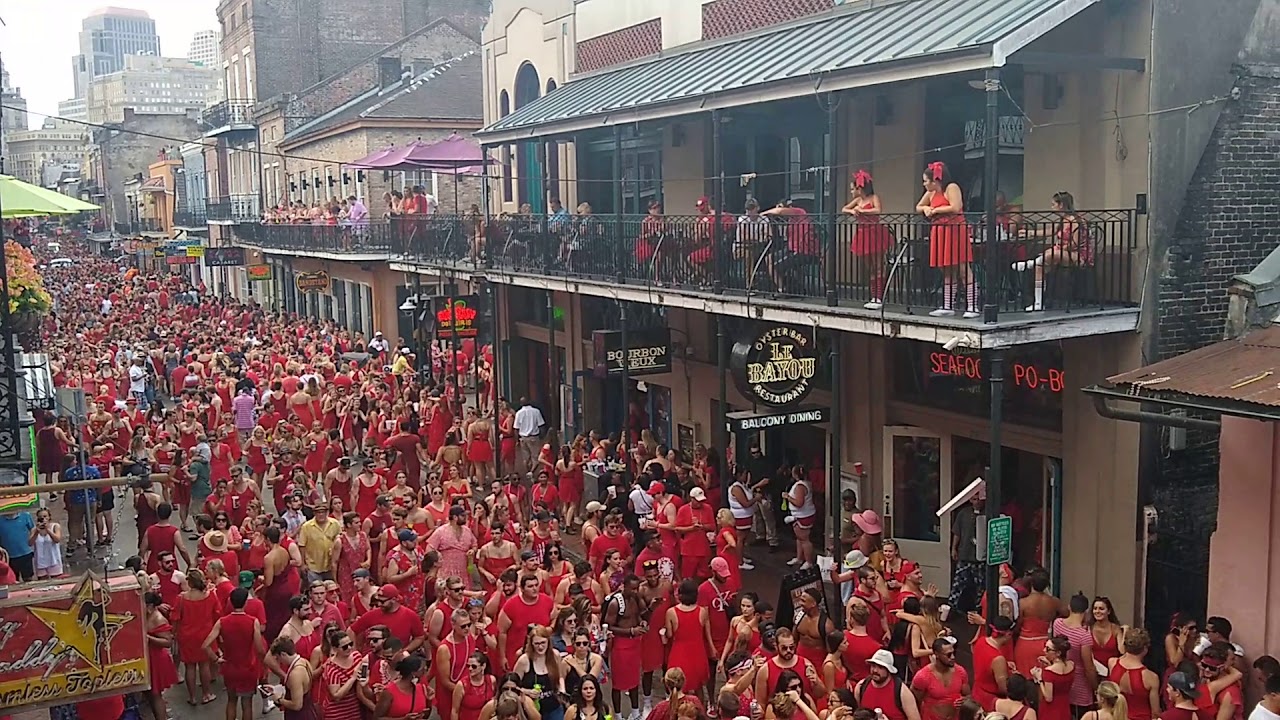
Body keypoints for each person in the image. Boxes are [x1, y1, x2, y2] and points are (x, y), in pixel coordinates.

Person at [916, 161, 975, 317]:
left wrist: (935, 210)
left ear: (935, 180)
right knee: (945, 268)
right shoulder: (931, 193)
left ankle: (973, 305)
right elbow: (919, 206)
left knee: (962, 267)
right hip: (940, 230)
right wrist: (926, 208)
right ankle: (948, 305)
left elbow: (956, 207)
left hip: (954, 230)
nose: (924, 184)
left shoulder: (951, 187)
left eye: (925, 181)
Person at [203, 587, 266, 720]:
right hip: (248, 667)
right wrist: (263, 665)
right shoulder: (252, 621)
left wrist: (216, 659)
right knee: (247, 704)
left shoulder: (222, 622)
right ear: (245, 603)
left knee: (231, 701)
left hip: (230, 667)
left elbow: (205, 645)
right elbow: (260, 649)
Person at [911, 638, 969, 720]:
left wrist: (964, 701)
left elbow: (968, 696)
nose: (952, 657)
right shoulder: (923, 677)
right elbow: (914, 703)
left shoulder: (961, 672)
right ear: (937, 654)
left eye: (954, 653)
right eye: (948, 655)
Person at [267, 637, 321, 720]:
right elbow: (299, 689)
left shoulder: (295, 674)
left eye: (278, 658)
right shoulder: (304, 662)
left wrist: (279, 699)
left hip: (299, 716)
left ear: (283, 654)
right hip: (309, 710)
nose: (279, 662)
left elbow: (297, 705)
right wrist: (276, 689)